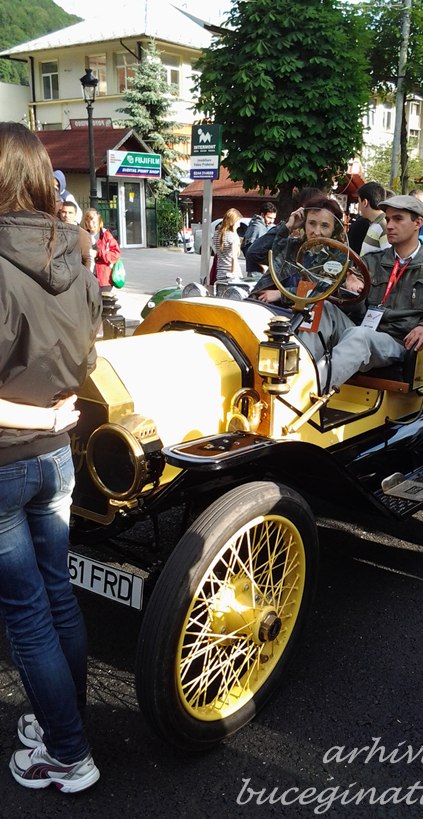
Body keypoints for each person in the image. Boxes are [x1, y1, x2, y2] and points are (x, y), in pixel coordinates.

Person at [0, 121, 102, 792]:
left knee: (27, 612)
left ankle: (68, 753)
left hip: (8, 458)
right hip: (55, 454)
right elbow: (88, 360)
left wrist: (36, 414)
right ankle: (64, 726)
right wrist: (51, 415)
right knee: (56, 596)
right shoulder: (77, 254)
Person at [298, 194, 423, 390]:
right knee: (322, 308)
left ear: (417, 223)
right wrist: (349, 290)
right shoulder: (371, 261)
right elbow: (353, 308)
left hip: (398, 341)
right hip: (361, 330)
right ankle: (298, 375)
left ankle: (306, 391)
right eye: (388, 219)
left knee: (360, 335)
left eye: (398, 219)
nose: (389, 225)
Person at [252, 195, 347, 305]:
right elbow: (255, 253)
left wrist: (281, 294)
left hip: (302, 312)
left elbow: (321, 290)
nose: (317, 232)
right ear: (304, 223)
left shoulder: (338, 256)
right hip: (266, 305)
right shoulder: (292, 246)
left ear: (334, 228)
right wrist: (288, 226)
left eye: (325, 226)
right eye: (312, 223)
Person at [83, 208, 121, 290]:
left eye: (93, 222)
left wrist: (98, 253)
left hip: (104, 279)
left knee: (104, 298)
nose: (91, 224)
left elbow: (116, 254)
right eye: (88, 221)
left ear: (99, 221)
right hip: (87, 278)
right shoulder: (83, 235)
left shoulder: (106, 235)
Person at [242, 202, 277, 275]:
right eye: (269, 218)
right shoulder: (257, 227)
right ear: (262, 215)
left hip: (263, 270)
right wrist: (262, 266)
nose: (272, 221)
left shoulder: (265, 226)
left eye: (274, 218)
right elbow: (248, 250)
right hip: (257, 271)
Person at [356, 181, 390, 256]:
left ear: (365, 203)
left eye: (359, 202)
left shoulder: (383, 224)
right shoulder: (375, 222)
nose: (358, 207)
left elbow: (387, 257)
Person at [212, 208, 243, 282]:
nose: (239, 225)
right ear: (233, 222)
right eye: (238, 222)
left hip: (220, 273)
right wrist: (233, 273)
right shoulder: (233, 236)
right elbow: (233, 257)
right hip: (231, 274)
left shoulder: (216, 234)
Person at [58, 201, 91, 269]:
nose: (66, 215)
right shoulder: (55, 231)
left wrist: (85, 275)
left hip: (76, 271)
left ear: (75, 214)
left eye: (70, 213)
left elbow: (87, 259)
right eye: (64, 212)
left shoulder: (82, 234)